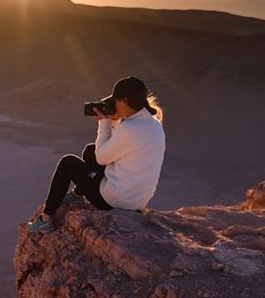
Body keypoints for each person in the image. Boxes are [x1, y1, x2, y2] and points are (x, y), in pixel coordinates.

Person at [25, 76, 165, 231]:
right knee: (90, 151)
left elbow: (102, 158)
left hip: (115, 201)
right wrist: (115, 121)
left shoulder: (129, 128)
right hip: (137, 201)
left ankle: (45, 219)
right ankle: (78, 195)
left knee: (67, 162)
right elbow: (117, 148)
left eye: (116, 101)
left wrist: (104, 122)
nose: (114, 105)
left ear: (125, 101)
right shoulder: (154, 124)